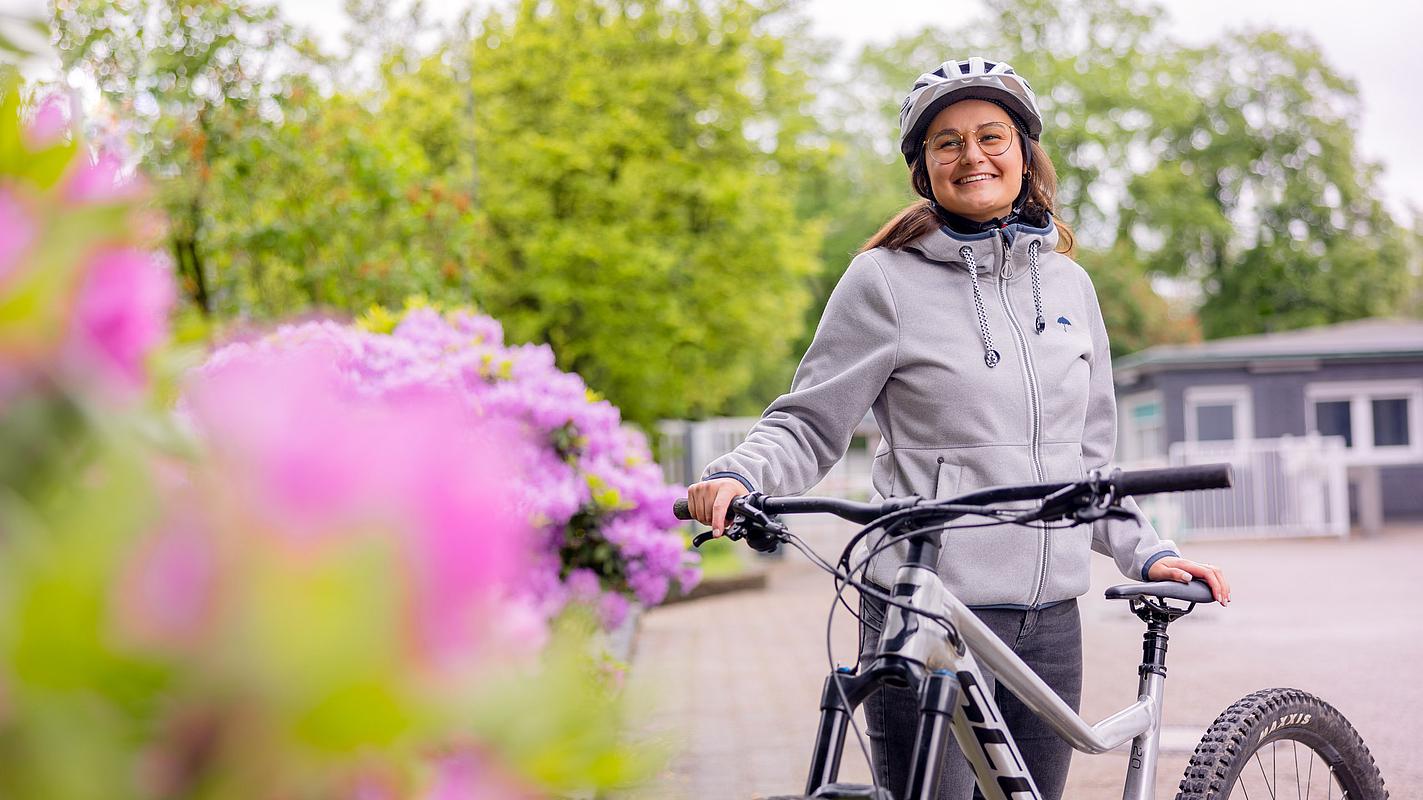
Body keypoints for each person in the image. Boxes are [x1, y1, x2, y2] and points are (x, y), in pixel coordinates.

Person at [685, 57, 1231, 799]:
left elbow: (1093, 459)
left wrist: (1148, 553)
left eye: (990, 136)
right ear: (923, 168)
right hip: (926, 608)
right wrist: (739, 474)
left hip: (1050, 623)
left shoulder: (1069, 285)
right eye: (946, 142)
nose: (971, 156)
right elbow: (810, 422)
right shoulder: (882, 280)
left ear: (1024, 151)